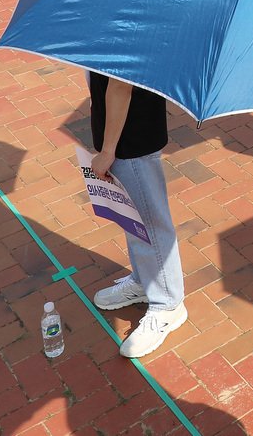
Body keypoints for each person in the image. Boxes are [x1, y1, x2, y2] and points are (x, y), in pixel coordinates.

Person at [87, 74, 186, 358]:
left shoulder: (124, 27)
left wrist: (108, 151)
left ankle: (168, 303)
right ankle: (146, 281)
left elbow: (121, 84)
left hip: (131, 137)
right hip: (122, 134)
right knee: (134, 219)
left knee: (149, 225)